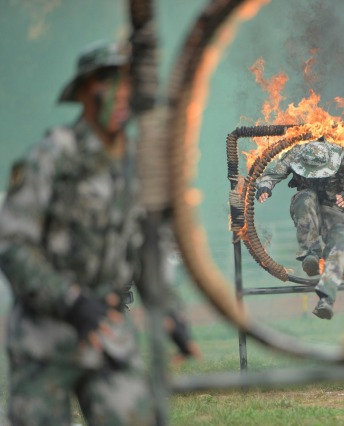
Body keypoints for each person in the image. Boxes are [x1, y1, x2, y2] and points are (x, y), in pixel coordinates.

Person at [0, 40, 200, 425]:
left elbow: (147, 250)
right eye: (108, 82)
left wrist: (171, 313)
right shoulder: (53, 156)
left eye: (126, 82)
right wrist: (71, 301)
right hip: (45, 339)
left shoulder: (136, 164)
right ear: (86, 93)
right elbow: (12, 243)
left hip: (108, 334)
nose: (120, 93)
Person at [255, 137, 344, 320]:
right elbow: (273, 173)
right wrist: (265, 187)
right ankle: (310, 255)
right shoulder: (295, 153)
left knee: (339, 245)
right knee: (305, 197)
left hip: (337, 210)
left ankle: (326, 298)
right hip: (308, 208)